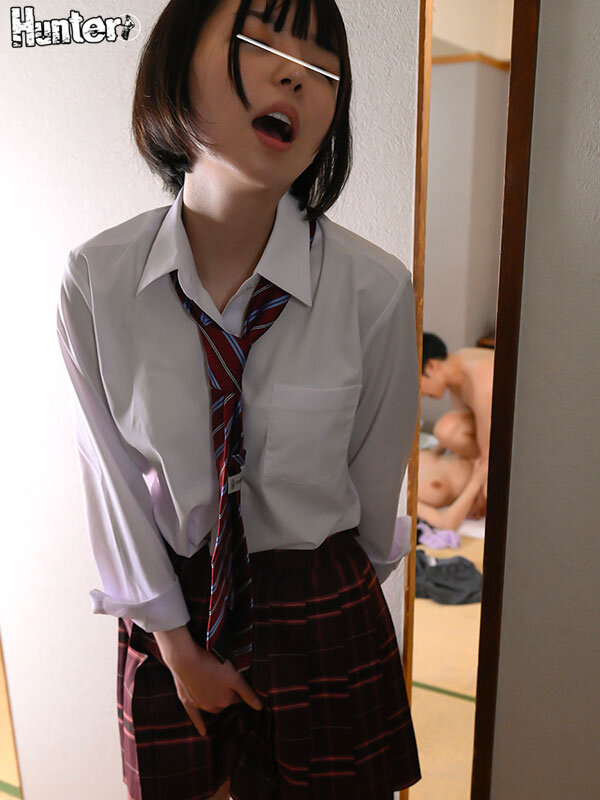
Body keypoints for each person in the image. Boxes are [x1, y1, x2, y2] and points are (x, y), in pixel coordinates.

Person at [56, 1, 421, 798]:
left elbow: (372, 501)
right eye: (260, 41)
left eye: (323, 67)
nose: (297, 76)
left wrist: (328, 621)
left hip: (322, 611)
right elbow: (113, 486)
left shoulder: (376, 291)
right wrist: (176, 646)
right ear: (175, 63)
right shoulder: (97, 281)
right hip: (172, 615)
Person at [421, 332, 494, 504]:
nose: (421, 394)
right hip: (491, 428)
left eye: (417, 385)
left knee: (447, 430)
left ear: (431, 366)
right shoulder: (457, 365)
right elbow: (466, 417)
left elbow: (489, 452)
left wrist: (478, 494)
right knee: (447, 431)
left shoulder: (482, 385)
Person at [417, 448, 488, 531]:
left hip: (478, 455)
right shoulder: (406, 496)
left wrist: (443, 445)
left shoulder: (410, 454)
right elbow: (445, 524)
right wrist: (477, 480)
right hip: (483, 481)